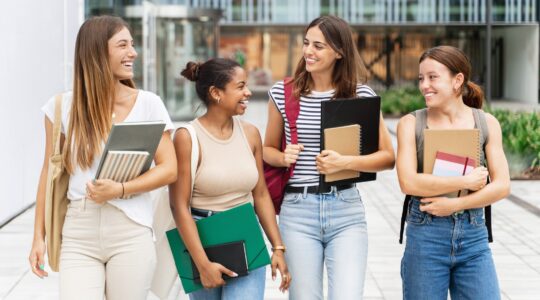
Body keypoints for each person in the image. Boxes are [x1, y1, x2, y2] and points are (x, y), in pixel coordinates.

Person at [28, 16, 177, 299]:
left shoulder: (148, 104)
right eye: (123, 45)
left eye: (132, 44)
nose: (133, 52)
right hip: (79, 230)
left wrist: (121, 189)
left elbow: (170, 169)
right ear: (97, 52)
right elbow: (48, 172)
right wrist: (39, 236)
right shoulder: (61, 107)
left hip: (131, 227)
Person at [263, 15, 395, 300]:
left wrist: (345, 163)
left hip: (346, 208)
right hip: (298, 210)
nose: (309, 51)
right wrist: (283, 156)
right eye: (307, 43)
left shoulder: (360, 95)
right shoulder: (283, 92)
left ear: (339, 52)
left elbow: (387, 156)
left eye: (319, 46)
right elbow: (267, 150)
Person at [170, 58, 291, 300]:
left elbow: (261, 194)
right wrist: (203, 265)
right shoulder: (186, 137)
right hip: (202, 241)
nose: (248, 92)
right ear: (216, 93)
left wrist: (277, 247)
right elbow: (178, 206)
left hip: (245, 235)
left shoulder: (251, 134)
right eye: (240, 86)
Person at [396, 45, 510, 299]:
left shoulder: (486, 123)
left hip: (474, 236)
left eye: (433, 77)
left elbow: (502, 185)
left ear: (458, 80)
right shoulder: (411, 124)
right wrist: (465, 180)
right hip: (426, 236)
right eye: (421, 78)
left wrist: (456, 204)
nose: (425, 85)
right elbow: (408, 182)